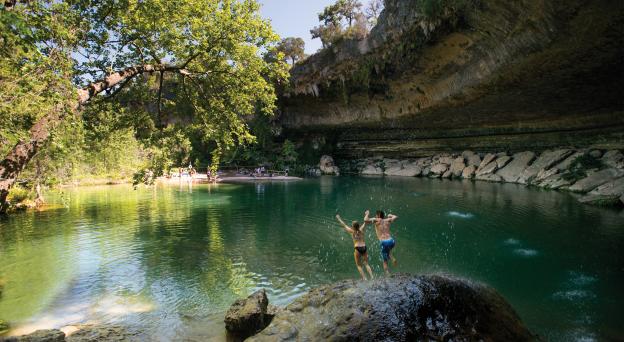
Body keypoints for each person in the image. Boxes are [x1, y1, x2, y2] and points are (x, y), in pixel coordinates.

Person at [335, 213, 374, 280]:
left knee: (359, 265)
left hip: (357, 248)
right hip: (364, 247)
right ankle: (372, 277)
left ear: (353, 227)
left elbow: (344, 225)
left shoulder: (352, 231)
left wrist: (339, 218)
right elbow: (365, 222)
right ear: (358, 226)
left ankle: (365, 278)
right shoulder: (361, 230)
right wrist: (367, 214)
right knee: (366, 263)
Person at [364, 209, 398, 275]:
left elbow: (365, 220)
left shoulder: (376, 220)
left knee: (384, 261)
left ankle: (388, 273)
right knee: (389, 251)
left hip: (384, 242)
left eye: (376, 215)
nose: (375, 216)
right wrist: (391, 215)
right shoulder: (388, 220)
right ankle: (392, 258)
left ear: (378, 215)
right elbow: (396, 217)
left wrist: (367, 214)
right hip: (391, 241)